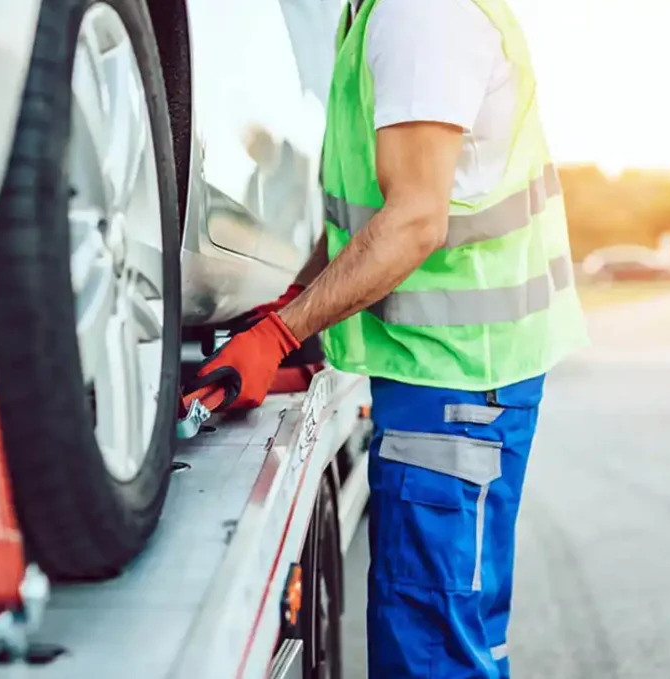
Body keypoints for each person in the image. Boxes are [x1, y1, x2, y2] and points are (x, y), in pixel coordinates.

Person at [184, 0, 589, 676]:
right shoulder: (384, 13)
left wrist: (285, 331)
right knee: (459, 638)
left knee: (431, 653)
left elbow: (414, 220)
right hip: (459, 384)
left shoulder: (420, 16)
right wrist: (295, 313)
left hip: (456, 392)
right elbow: (365, 216)